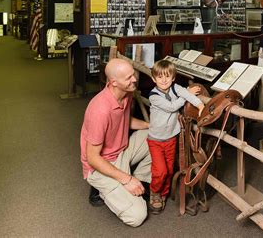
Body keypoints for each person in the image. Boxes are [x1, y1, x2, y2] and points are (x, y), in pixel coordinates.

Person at [80, 58, 151, 227]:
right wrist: (126, 179)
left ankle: (139, 182)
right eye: (128, 78)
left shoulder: (126, 94)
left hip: (121, 151)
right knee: (137, 216)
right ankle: (106, 189)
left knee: (156, 136)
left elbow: (125, 120)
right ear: (113, 82)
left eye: (132, 74)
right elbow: (93, 158)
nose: (134, 79)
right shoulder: (100, 110)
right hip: (101, 164)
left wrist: (151, 126)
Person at [147, 59, 204, 214]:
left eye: (167, 76)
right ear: (154, 79)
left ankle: (163, 194)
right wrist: (186, 94)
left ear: (173, 78)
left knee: (170, 168)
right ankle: (155, 191)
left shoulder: (175, 88)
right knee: (160, 170)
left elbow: (188, 95)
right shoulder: (154, 96)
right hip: (156, 140)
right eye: (160, 77)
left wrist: (199, 105)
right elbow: (172, 107)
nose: (164, 80)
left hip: (171, 137)